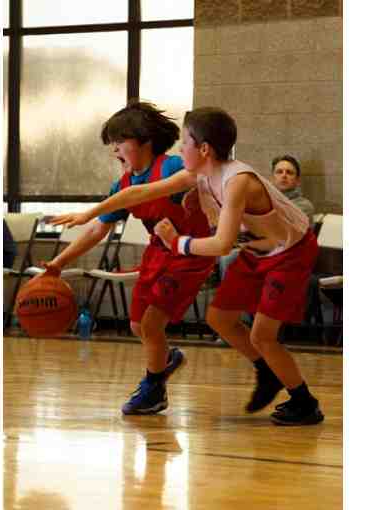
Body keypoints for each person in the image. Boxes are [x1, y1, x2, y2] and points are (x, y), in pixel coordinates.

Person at [54, 107, 323, 426]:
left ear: (204, 149)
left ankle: (304, 403)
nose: (179, 149)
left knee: (262, 336)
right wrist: (88, 214)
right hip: (257, 249)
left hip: (291, 251)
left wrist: (177, 242)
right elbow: (137, 192)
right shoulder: (198, 176)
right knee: (219, 318)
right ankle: (267, 371)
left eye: (185, 142)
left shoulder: (237, 182)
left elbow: (221, 245)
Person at [43, 101, 215, 416]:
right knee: (138, 325)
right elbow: (97, 230)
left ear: (144, 140)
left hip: (190, 251)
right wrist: (58, 263)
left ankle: (154, 390)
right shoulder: (122, 184)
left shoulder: (172, 167)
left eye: (120, 141)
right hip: (158, 252)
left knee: (151, 323)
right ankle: (165, 359)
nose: (115, 150)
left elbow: (202, 186)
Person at [216, 153, 316, 337]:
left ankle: (260, 327)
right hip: (258, 251)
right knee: (228, 258)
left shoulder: (304, 205)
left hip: (286, 256)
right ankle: (240, 322)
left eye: (289, 173)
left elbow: (281, 232)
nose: (284, 175)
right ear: (272, 177)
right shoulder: (263, 200)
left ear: (297, 180)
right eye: (279, 172)